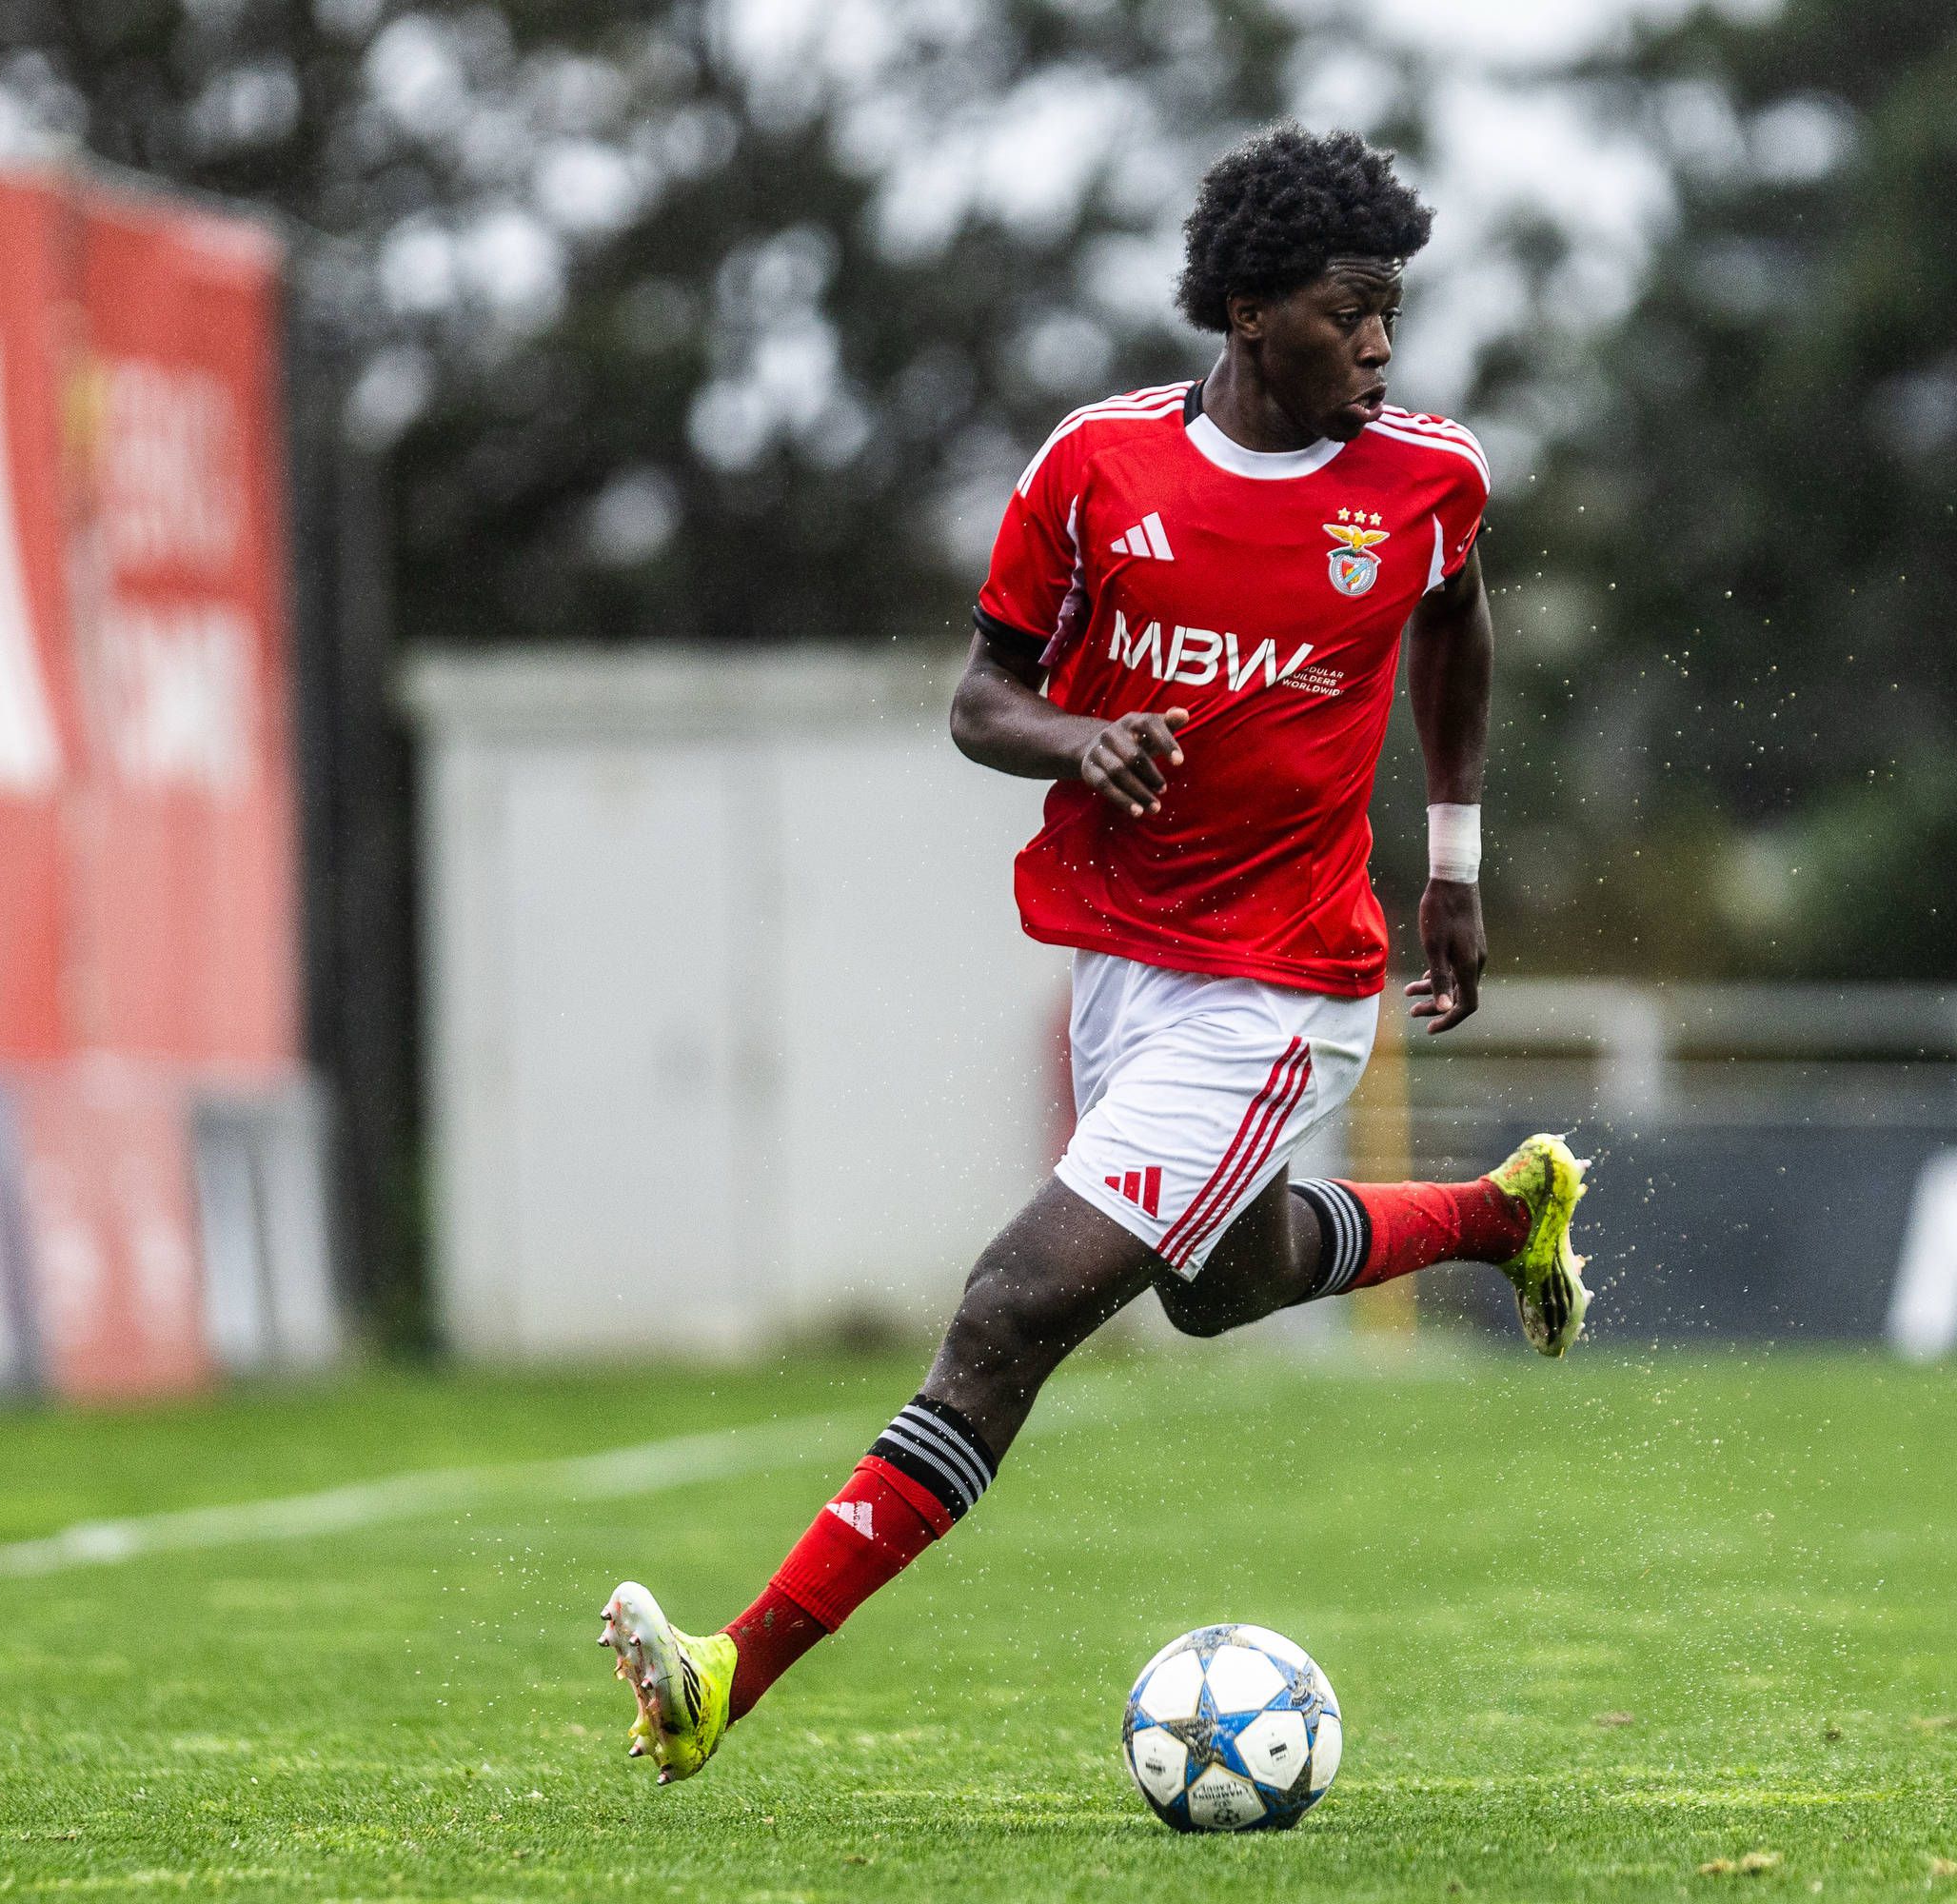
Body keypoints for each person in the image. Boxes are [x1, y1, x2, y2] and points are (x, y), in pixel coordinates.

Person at [599, 124, 1591, 1785]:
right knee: (1214, 1288)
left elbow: (1457, 613)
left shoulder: (1424, 478)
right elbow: (982, 699)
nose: (1381, 341)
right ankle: (1499, 1215)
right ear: (1251, 304)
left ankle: (724, 1676)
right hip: (1126, 963)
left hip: (1280, 986)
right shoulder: (1097, 470)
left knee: (1009, 1312)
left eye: (1394, 309)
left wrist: (1457, 858)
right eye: (1352, 307)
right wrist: (1077, 739)